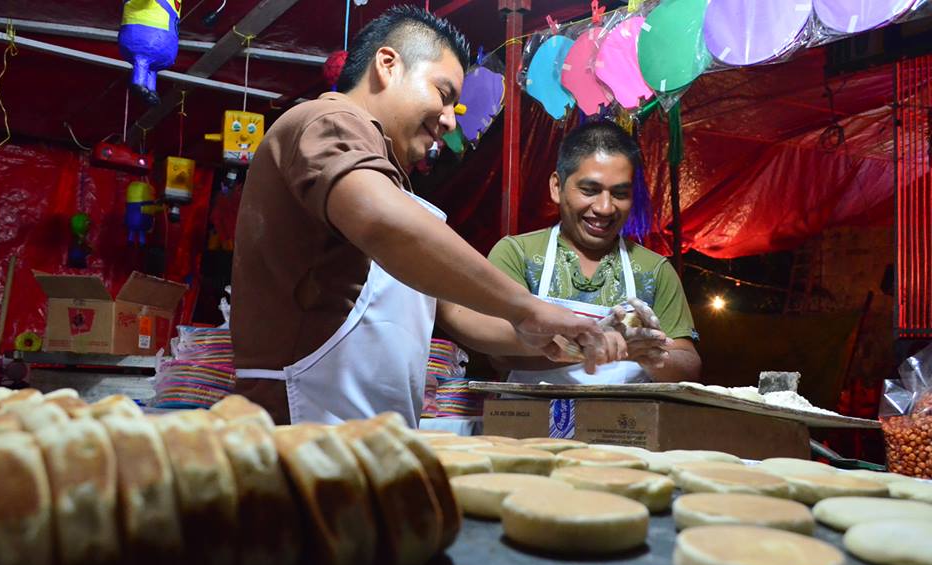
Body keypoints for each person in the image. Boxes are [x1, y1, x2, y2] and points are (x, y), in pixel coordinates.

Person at [230, 6, 618, 426]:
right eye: (443, 93)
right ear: (387, 65)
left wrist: (563, 334)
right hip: (302, 429)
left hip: (360, 436)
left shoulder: (386, 178)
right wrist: (525, 307)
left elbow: (457, 312)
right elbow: (383, 222)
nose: (450, 119)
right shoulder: (327, 120)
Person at [487, 120, 701, 384]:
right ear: (557, 187)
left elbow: (689, 366)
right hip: (533, 422)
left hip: (625, 423)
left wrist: (650, 351)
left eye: (620, 193)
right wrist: (593, 347)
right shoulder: (517, 254)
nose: (605, 208)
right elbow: (499, 354)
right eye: (590, 190)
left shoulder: (654, 271)